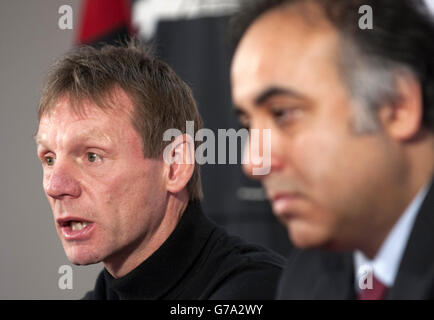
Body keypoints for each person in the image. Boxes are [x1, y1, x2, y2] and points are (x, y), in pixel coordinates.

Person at [34, 42, 284, 299]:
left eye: (92, 156)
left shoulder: (258, 290)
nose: (55, 186)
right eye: (49, 159)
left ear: (175, 165)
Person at [230, 0, 434, 299]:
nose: (253, 162)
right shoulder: (304, 277)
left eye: (283, 113)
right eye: (248, 125)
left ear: (396, 106)